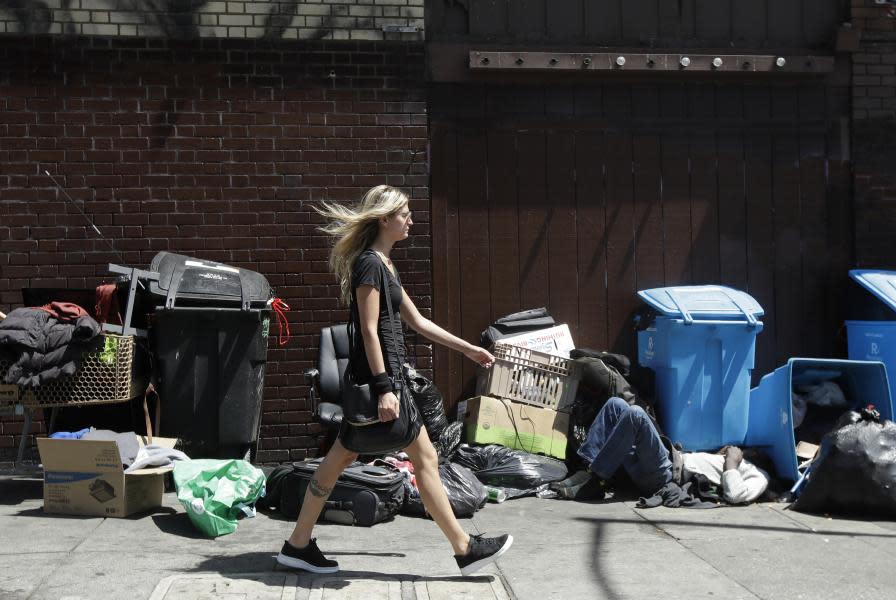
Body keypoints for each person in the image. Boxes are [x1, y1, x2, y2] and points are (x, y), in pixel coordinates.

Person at [277, 185, 513, 575]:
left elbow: (418, 323)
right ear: (384, 219)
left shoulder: (385, 264)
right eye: (404, 213)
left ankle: (298, 544)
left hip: (385, 378)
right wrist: (386, 389)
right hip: (382, 382)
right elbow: (369, 331)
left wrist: (467, 349)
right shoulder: (370, 264)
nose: (411, 220)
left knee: (344, 459)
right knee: (423, 459)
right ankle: (464, 548)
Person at [553, 396, 770, 505]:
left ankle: (596, 481)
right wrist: (719, 456)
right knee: (615, 404)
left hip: (668, 475)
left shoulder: (760, 477)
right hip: (668, 459)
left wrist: (731, 463)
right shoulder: (739, 457)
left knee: (636, 414)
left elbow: (735, 495)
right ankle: (587, 470)